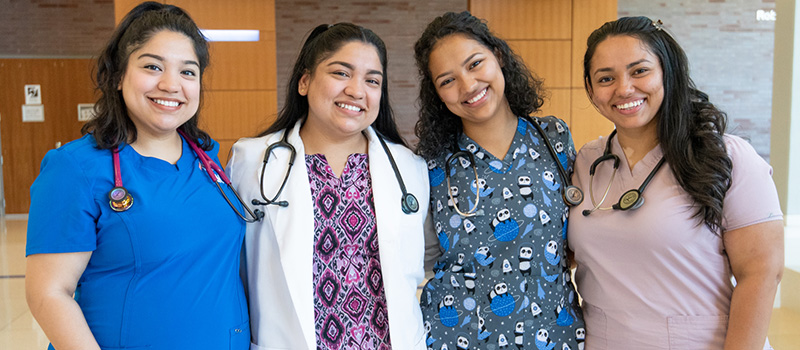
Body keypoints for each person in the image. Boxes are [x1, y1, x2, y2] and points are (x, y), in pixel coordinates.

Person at [25, 2, 254, 349]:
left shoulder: (208, 158)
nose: (170, 84)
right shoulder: (75, 169)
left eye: (188, 72)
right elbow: (48, 293)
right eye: (152, 66)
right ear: (118, 76)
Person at [570, 16, 784, 349]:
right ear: (591, 90)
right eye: (606, 78)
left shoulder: (728, 156)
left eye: (639, 71)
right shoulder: (586, 161)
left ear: (668, 73)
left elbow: (761, 272)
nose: (624, 88)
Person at [226, 23, 430, 349]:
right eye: (341, 73)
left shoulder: (409, 168)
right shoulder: (252, 161)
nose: (356, 90)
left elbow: (424, 259)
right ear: (304, 82)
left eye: (372, 80)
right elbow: (231, 265)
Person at [414, 11, 585, 349]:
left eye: (475, 64)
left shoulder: (554, 137)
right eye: (447, 80)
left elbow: (579, 238)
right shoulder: (432, 165)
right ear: (437, 94)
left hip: (552, 333)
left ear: (499, 56)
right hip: (459, 336)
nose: (467, 85)